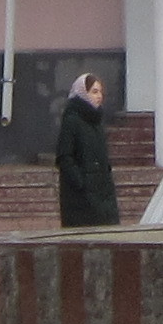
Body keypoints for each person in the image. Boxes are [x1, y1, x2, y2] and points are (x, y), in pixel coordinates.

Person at [54, 70, 121, 228]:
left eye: (100, 92)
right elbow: (64, 157)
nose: (99, 96)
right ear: (83, 93)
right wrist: (81, 182)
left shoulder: (96, 121)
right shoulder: (72, 120)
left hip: (103, 191)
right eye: (94, 92)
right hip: (81, 197)